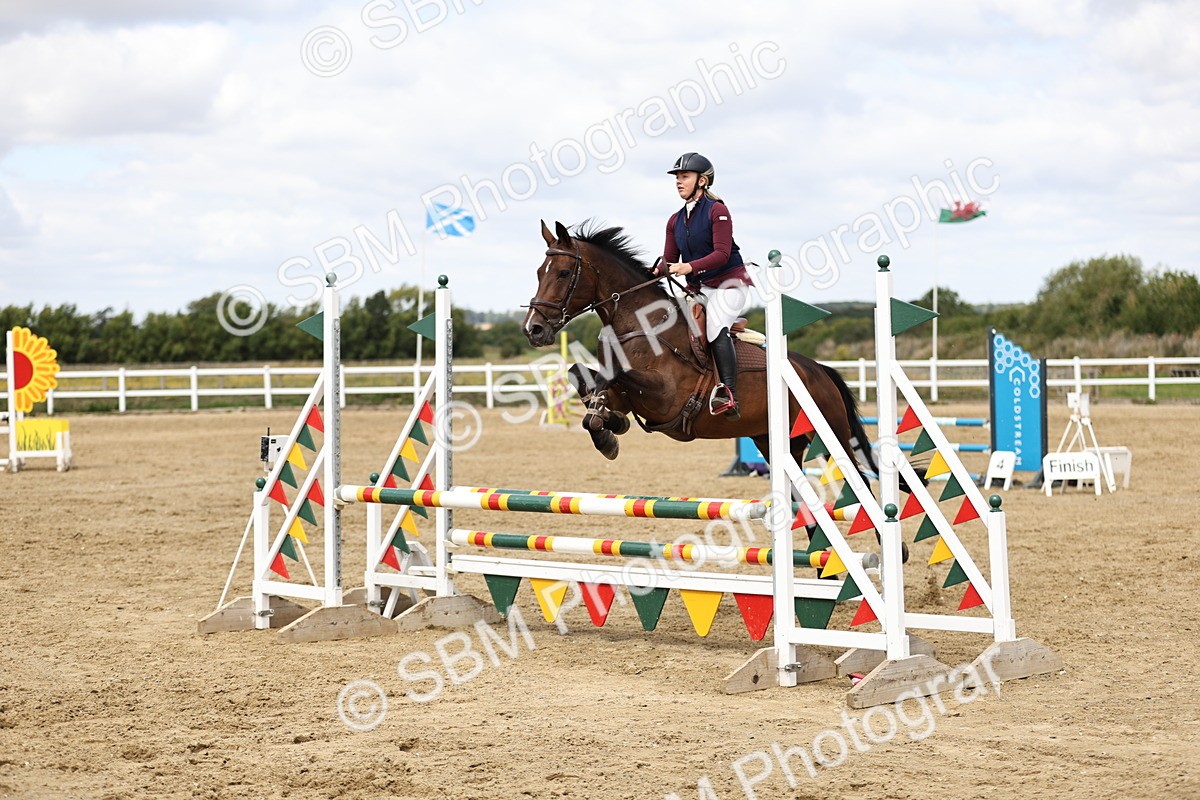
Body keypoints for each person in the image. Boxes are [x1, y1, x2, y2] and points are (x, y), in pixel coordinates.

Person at [655, 152, 753, 420]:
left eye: (684, 176)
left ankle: (728, 393)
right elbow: (669, 261)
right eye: (677, 177)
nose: (678, 182)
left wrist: (689, 267)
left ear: (702, 180)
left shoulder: (717, 211)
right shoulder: (675, 220)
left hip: (729, 285)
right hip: (699, 290)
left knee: (714, 326)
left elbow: (721, 254)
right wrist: (651, 272)